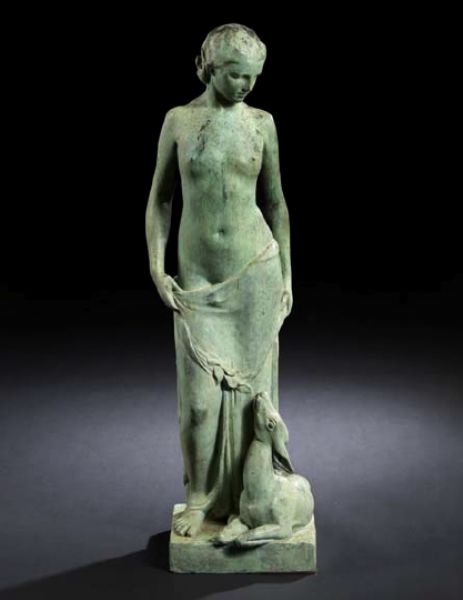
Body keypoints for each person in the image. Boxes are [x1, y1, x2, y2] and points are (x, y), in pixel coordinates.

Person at [145, 23, 292, 537]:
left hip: (255, 272)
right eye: (235, 74)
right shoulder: (180, 121)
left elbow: (275, 202)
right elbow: (160, 199)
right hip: (200, 280)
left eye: (253, 76)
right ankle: (199, 498)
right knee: (198, 407)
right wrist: (156, 266)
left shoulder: (262, 124)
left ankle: (254, 502)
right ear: (207, 68)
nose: (246, 85)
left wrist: (287, 275)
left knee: (257, 405)